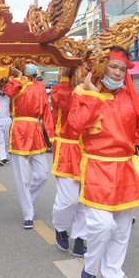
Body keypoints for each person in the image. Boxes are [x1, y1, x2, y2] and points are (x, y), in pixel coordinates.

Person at [68, 48, 139, 278]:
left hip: (126, 166)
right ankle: (90, 267)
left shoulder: (130, 97)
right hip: (97, 165)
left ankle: (113, 274)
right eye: (112, 67)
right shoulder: (83, 93)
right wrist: (93, 97)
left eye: (122, 69)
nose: (117, 73)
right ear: (101, 67)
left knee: (122, 227)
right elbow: (76, 126)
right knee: (102, 225)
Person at [2, 62, 54, 228]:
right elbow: (8, 92)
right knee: (23, 178)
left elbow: (46, 110)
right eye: (27, 64)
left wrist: (51, 136)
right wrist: (18, 77)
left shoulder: (40, 86)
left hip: (35, 130)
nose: (30, 67)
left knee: (42, 174)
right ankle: (28, 214)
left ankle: (28, 201)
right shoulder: (15, 82)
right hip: (19, 130)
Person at [50, 67, 87, 257]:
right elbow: (65, 103)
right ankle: (61, 227)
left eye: (86, 71)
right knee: (69, 199)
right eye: (80, 71)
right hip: (67, 148)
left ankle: (80, 237)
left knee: (84, 200)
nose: (83, 75)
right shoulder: (59, 89)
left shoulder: (93, 90)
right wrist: (65, 79)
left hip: (88, 150)